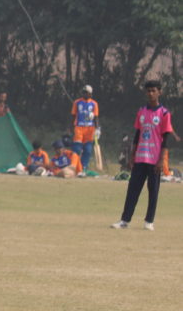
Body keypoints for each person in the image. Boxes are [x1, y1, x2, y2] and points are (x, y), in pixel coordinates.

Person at [112, 81, 174, 231]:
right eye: (148, 91)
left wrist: (161, 160)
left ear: (159, 92)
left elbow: (166, 139)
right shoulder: (141, 111)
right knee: (132, 189)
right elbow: (137, 134)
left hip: (154, 159)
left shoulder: (164, 113)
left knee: (153, 191)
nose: (150, 93)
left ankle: (149, 221)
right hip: (140, 157)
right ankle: (125, 220)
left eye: (153, 91)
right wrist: (132, 156)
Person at [71, 85, 99, 169]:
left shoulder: (94, 104)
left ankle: (84, 167)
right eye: (84, 92)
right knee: (77, 148)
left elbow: (96, 117)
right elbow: (73, 115)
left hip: (90, 129)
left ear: (90, 94)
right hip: (79, 127)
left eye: (86, 93)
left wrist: (97, 129)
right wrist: (70, 127)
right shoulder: (77, 102)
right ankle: (75, 166)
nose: (85, 94)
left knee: (87, 149)